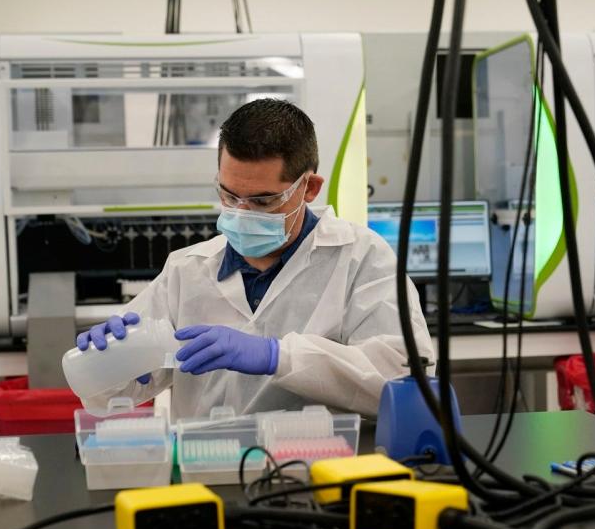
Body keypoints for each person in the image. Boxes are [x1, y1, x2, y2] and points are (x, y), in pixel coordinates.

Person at [74, 99, 434, 420]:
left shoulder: (362, 259)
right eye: (229, 196)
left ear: (309, 188)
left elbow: (405, 381)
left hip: (317, 471)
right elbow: (108, 398)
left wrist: (278, 356)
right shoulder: (187, 269)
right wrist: (108, 362)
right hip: (207, 467)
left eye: (263, 201)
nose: (241, 213)